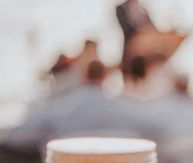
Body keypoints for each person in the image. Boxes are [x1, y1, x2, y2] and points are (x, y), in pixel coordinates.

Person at [3, 60, 154, 152]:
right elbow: (153, 126)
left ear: (83, 75)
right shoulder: (125, 110)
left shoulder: (59, 109)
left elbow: (19, 134)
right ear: (105, 76)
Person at [116, 0, 154, 73]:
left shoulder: (144, 10)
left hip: (146, 60)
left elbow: (152, 28)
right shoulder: (121, 8)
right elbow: (126, 28)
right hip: (129, 59)